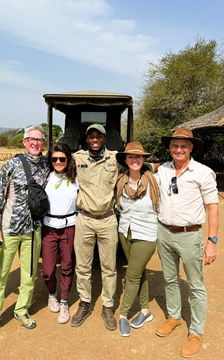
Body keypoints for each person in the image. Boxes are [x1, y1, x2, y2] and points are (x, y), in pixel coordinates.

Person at [156, 128, 219, 358]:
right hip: (164, 232)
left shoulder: (202, 173)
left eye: (184, 146)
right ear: (170, 147)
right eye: (175, 145)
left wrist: (212, 240)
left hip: (190, 234)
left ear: (191, 148)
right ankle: (174, 316)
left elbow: (213, 206)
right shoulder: (162, 169)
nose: (179, 149)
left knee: (195, 284)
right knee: (170, 278)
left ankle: (196, 332)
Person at [70, 124, 119, 331]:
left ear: (105, 139)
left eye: (99, 136)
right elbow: (56, 165)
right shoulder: (77, 158)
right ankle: (84, 302)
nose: (95, 139)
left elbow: (138, 163)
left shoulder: (116, 159)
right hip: (85, 219)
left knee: (109, 267)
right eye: (91, 136)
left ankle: (107, 306)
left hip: (108, 219)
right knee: (82, 266)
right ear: (87, 139)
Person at [0, 126, 49, 329]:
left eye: (39, 140)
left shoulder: (47, 165)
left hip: (33, 229)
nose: (35, 143)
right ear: (24, 141)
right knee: (2, 274)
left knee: (29, 275)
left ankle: (21, 310)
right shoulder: (10, 164)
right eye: (31, 139)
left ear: (43, 143)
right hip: (9, 229)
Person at [115, 142, 160, 337]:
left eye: (139, 157)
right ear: (125, 160)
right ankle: (145, 311)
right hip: (126, 232)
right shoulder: (121, 181)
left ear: (143, 160)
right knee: (139, 272)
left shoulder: (153, 181)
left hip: (147, 234)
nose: (135, 160)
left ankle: (123, 315)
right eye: (131, 157)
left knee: (131, 276)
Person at [41, 143, 78, 324]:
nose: (58, 162)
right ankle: (52, 294)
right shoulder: (45, 177)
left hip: (69, 226)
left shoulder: (75, 179)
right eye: (54, 158)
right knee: (48, 270)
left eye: (62, 158)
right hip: (48, 226)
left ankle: (64, 301)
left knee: (67, 265)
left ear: (68, 159)